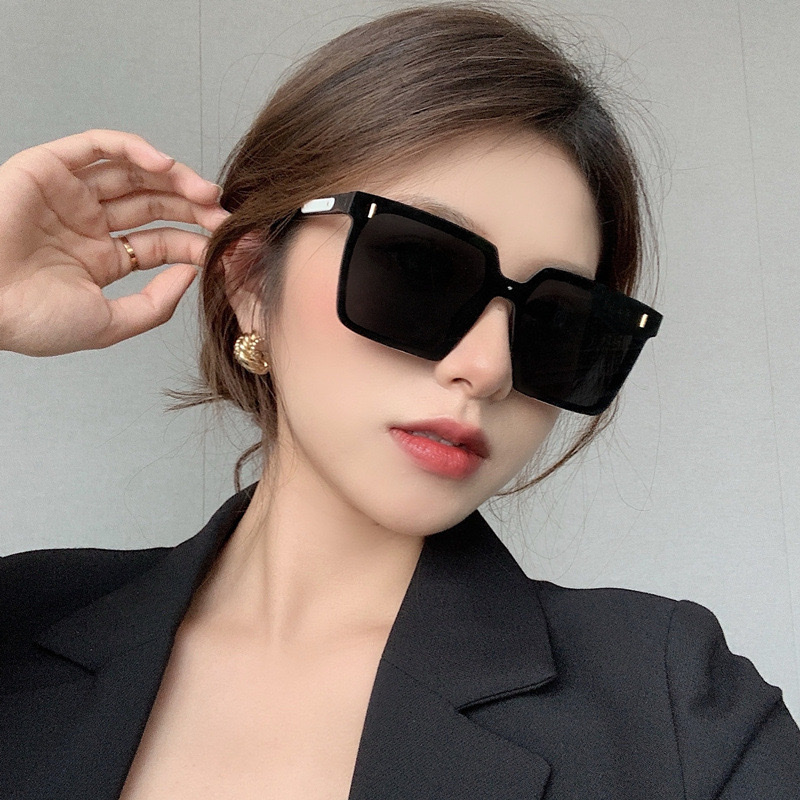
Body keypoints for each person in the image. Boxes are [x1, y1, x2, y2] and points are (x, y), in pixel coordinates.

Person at [0, 4, 798, 799]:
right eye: (420, 268)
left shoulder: (678, 712)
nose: (487, 368)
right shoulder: (17, 623)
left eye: (556, 321)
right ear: (249, 282)